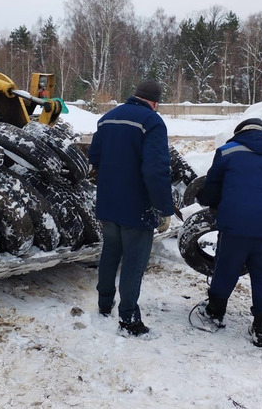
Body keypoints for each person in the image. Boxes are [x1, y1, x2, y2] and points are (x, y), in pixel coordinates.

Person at [192, 117, 262, 347]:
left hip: (236, 224)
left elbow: (213, 186)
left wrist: (207, 202)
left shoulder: (227, 152)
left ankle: (215, 313)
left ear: (240, 132)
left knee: (226, 268)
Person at [88, 80, 175, 337]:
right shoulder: (152, 122)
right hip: (137, 206)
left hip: (108, 201)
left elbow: (94, 157)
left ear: (135, 95)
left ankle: (104, 305)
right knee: (133, 263)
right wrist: (163, 207)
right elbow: (156, 169)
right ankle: (128, 319)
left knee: (110, 254)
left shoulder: (107, 118)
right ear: (155, 102)